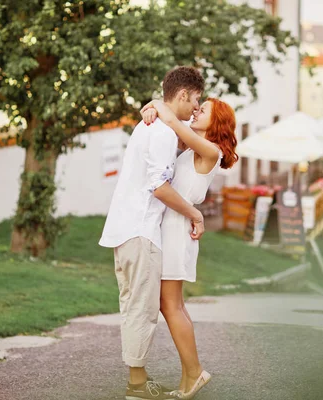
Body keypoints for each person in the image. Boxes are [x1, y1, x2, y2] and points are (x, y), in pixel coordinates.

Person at [99, 66, 206, 400]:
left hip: (127, 228)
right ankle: (136, 386)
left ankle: (138, 380)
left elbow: (180, 123)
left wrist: (155, 104)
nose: (196, 110)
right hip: (140, 230)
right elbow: (159, 187)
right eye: (195, 101)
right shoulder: (160, 132)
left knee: (136, 307)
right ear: (184, 94)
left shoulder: (153, 125)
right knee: (141, 310)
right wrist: (194, 213)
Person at [140, 97, 238, 399]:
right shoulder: (195, 148)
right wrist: (151, 109)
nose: (195, 111)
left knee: (170, 305)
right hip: (173, 226)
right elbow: (169, 128)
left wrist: (156, 102)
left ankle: (194, 372)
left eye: (203, 109)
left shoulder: (210, 150)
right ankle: (188, 378)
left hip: (177, 230)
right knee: (172, 304)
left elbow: (172, 122)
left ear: (216, 121)